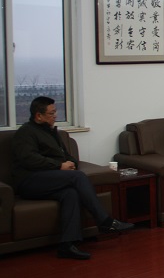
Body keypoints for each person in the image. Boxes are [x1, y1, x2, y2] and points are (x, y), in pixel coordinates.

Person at [11, 96, 135, 260]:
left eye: (55, 112)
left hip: (50, 179)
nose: (55, 116)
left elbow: (66, 155)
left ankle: (66, 245)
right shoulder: (26, 132)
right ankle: (104, 221)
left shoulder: (52, 132)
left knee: (70, 194)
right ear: (38, 116)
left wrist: (71, 163)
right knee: (77, 177)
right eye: (51, 113)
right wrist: (59, 166)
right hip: (29, 181)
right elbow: (29, 159)